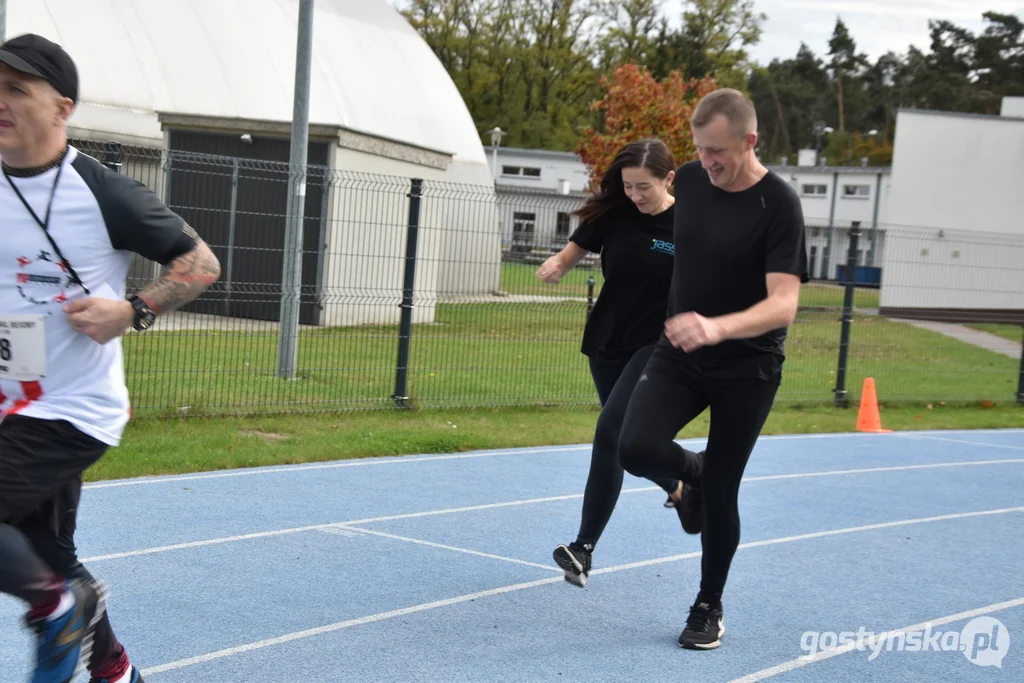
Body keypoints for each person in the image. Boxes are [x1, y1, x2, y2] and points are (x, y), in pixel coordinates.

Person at [0, 34, 222, 683]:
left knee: (48, 578)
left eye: (17, 89)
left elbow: (201, 262)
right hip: (10, 401)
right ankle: (114, 669)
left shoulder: (101, 192)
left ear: (62, 106)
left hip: (69, 408)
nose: (1, 102)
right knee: (46, 547)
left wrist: (134, 310)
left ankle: (55, 608)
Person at [617, 89, 808, 650]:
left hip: (747, 366)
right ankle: (692, 475)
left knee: (723, 495)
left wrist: (718, 326)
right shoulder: (695, 183)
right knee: (634, 447)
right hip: (680, 352)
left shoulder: (780, 204)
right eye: (700, 150)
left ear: (750, 141)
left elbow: (784, 304)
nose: (707, 163)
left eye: (719, 151)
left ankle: (708, 605)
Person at [536, 139, 704, 589]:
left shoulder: (689, 224)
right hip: (607, 339)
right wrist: (557, 264)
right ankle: (681, 487)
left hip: (657, 343)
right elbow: (573, 251)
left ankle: (583, 548)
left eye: (644, 187)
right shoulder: (615, 212)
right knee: (629, 444)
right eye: (628, 186)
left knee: (610, 432)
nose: (634, 195)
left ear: (669, 179)